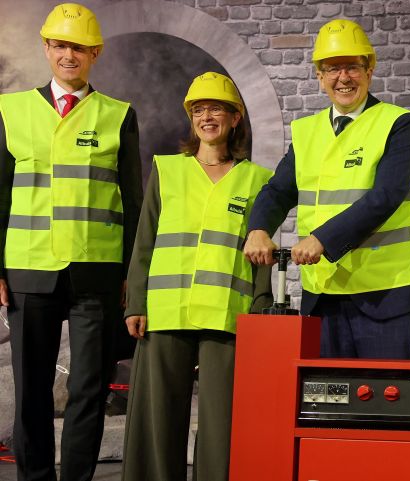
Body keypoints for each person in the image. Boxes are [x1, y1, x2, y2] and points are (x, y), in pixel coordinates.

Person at [0, 4, 142, 480]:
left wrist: (131, 275)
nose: (68, 55)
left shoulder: (119, 115)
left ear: (95, 53)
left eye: (78, 47)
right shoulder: (10, 109)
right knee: (33, 389)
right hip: (28, 267)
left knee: (88, 388)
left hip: (96, 272)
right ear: (46, 48)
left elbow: (134, 200)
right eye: (60, 45)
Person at [243, 18, 410, 359]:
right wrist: (258, 228)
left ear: (369, 69)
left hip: (383, 293)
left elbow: (384, 197)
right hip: (323, 295)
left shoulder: (397, 124)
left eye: (351, 67)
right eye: (332, 69)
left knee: (380, 407)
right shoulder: (306, 131)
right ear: (319, 76)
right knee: (328, 407)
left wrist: (322, 239)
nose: (342, 78)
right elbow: (278, 190)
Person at [120, 72, 272, 481]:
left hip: (228, 314)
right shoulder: (167, 171)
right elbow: (144, 240)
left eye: (217, 109)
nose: (207, 117)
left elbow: (260, 253)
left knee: (224, 422)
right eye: (199, 110)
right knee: (158, 419)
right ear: (191, 119)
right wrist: (137, 300)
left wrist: (261, 305)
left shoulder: (257, 181)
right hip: (165, 312)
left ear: (235, 118)